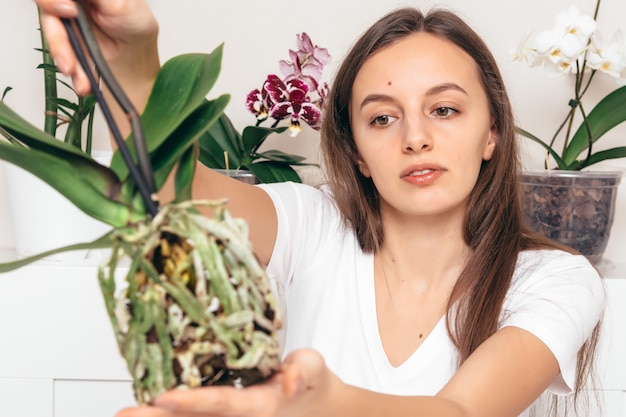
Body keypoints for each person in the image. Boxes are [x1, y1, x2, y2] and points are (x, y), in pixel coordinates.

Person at [35, 1, 606, 416]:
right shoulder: (313, 226)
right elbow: (183, 193)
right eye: (382, 118)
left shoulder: (555, 279)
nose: (414, 138)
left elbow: (459, 411)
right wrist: (131, 67)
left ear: (493, 135)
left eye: (446, 110)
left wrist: (320, 404)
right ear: (356, 153)